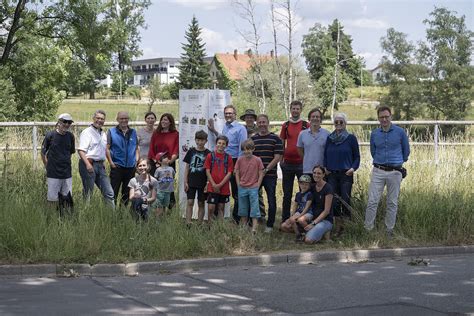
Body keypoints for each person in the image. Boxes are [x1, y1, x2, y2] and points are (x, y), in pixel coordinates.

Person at [364, 106, 410, 237]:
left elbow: (406, 151)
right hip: (378, 170)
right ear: (378, 118)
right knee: (372, 201)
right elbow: (373, 151)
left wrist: (398, 162)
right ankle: (368, 229)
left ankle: (389, 230)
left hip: (395, 172)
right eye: (381, 117)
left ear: (391, 117)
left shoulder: (400, 132)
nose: (384, 119)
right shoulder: (374, 134)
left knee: (392, 202)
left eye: (386, 116)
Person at [208, 105, 247, 223]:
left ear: (235, 114)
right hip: (223, 161)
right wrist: (213, 130)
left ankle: (236, 219)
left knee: (236, 192)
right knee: (220, 187)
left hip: (235, 161)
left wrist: (237, 167)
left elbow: (242, 148)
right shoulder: (225, 127)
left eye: (230, 113)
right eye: (226, 113)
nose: (228, 115)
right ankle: (216, 219)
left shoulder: (241, 129)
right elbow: (223, 140)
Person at [323, 113, 360, 237]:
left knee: (345, 200)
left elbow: (357, 156)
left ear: (345, 123)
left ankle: (346, 227)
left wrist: (353, 168)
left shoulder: (351, 138)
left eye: (341, 122)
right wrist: (325, 168)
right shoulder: (330, 138)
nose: (338, 124)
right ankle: (337, 227)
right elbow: (325, 155)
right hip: (331, 174)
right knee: (333, 201)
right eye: (336, 122)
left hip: (345, 174)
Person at [251, 114, 283, 233]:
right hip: (256, 176)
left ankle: (269, 225)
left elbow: (277, 157)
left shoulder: (276, 138)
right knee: (253, 198)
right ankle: (253, 222)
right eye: (259, 122)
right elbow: (251, 157)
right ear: (257, 124)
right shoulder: (253, 140)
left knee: (271, 200)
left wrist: (266, 170)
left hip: (270, 175)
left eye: (264, 122)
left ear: (268, 123)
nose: (262, 124)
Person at [77, 110, 115, 208]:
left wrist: (104, 162)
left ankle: (111, 216)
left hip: (100, 166)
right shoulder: (87, 132)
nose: (99, 120)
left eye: (102, 119)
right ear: (93, 118)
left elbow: (103, 150)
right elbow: (81, 150)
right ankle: (85, 215)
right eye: (98, 118)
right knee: (88, 193)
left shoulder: (103, 134)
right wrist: (88, 165)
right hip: (89, 164)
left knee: (109, 192)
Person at [41, 113, 76, 214]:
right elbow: (43, 153)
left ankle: (65, 218)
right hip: (53, 173)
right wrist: (47, 166)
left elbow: (70, 153)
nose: (67, 124)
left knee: (67, 198)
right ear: (59, 122)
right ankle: (50, 218)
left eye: (69, 122)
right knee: (52, 198)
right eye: (64, 122)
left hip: (67, 173)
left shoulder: (70, 136)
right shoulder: (50, 135)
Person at [280, 100, 308, 223]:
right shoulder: (285, 125)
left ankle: (301, 218)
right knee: (287, 193)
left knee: (304, 192)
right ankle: (285, 219)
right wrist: (281, 160)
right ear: (290, 110)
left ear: (301, 110)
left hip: (301, 164)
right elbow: (282, 143)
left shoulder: (305, 125)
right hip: (287, 164)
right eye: (293, 108)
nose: (295, 110)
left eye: (297, 108)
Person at [106, 111, 139, 206]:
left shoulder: (133, 132)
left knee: (127, 192)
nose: (124, 120)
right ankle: (112, 211)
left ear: (128, 119)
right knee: (113, 191)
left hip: (130, 167)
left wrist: (136, 161)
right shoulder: (111, 132)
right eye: (121, 118)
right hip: (117, 166)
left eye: (126, 118)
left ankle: (122, 212)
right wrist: (111, 163)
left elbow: (136, 148)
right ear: (117, 120)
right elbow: (107, 148)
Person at [148, 113, 179, 208]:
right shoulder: (156, 133)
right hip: (155, 164)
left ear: (170, 122)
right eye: (162, 119)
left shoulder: (175, 134)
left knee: (167, 185)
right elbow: (151, 149)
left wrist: (169, 161)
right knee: (156, 185)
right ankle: (155, 207)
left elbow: (176, 150)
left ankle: (170, 207)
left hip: (168, 164)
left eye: (166, 120)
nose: (163, 122)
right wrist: (156, 161)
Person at [235, 139, 264, 234]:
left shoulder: (257, 160)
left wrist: (257, 185)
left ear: (253, 149)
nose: (246, 151)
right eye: (244, 149)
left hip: (253, 188)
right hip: (242, 187)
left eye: (249, 149)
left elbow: (261, 173)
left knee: (254, 208)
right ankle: (244, 227)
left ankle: (254, 229)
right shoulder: (240, 159)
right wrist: (238, 184)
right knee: (243, 209)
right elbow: (237, 172)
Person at [183, 130, 211, 225]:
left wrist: (207, 183)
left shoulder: (208, 153)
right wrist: (185, 181)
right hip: (191, 181)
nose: (200, 142)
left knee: (201, 203)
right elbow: (187, 167)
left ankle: (199, 223)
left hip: (202, 182)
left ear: (206, 141)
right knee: (190, 201)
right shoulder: (191, 151)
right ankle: (188, 223)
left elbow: (209, 170)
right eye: (198, 140)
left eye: (202, 140)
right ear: (195, 140)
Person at [204, 135, 234, 222]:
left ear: (226, 145)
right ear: (216, 144)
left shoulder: (228, 158)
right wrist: (213, 184)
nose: (221, 145)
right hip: (212, 186)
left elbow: (229, 173)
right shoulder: (210, 156)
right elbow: (207, 171)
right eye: (219, 143)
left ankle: (219, 227)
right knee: (211, 208)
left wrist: (220, 185)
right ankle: (210, 226)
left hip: (223, 187)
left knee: (221, 208)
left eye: (223, 144)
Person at [303, 165, 334, 244]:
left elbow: (326, 211)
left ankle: (324, 232)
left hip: (325, 220)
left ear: (323, 175)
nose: (316, 175)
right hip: (313, 217)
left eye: (319, 173)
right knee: (285, 226)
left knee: (308, 240)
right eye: (314, 173)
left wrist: (313, 223)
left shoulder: (328, 188)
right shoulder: (313, 187)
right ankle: (318, 233)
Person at [297, 108, 330, 177]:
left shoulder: (327, 134)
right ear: (309, 119)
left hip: (322, 170)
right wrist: (307, 159)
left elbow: (329, 152)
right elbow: (299, 149)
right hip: (307, 169)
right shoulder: (302, 134)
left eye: (317, 117)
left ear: (320, 119)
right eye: (313, 116)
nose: (315, 118)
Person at [280, 175, 314, 239]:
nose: (304, 186)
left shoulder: (309, 194)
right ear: (299, 183)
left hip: (308, 213)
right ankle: (299, 233)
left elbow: (307, 208)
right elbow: (295, 206)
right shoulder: (298, 194)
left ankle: (310, 232)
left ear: (309, 185)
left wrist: (299, 216)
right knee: (283, 226)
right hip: (299, 212)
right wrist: (292, 216)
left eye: (306, 184)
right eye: (302, 184)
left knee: (300, 220)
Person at [153, 152, 175, 217]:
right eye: (164, 157)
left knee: (165, 205)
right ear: (160, 161)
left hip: (168, 191)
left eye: (167, 157)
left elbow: (173, 176)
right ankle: (157, 219)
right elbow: (155, 179)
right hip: (160, 191)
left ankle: (163, 218)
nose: (167, 158)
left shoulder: (171, 169)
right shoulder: (158, 170)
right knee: (159, 206)